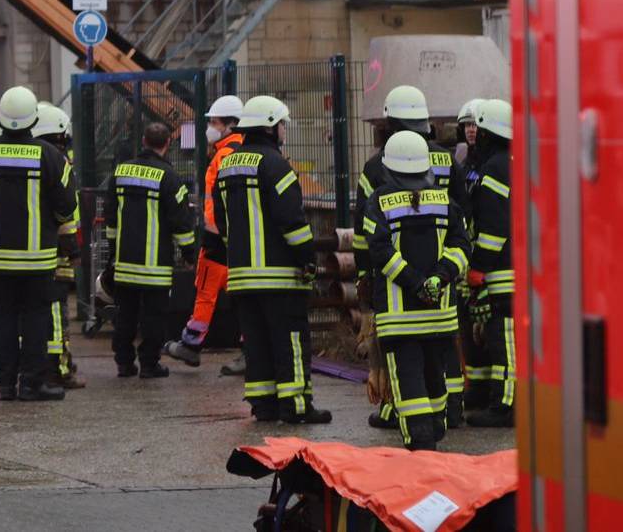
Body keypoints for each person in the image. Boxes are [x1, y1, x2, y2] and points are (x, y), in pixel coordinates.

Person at [354, 86, 465, 430]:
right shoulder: (447, 161)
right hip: (442, 282)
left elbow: (368, 236)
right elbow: (464, 223)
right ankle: (451, 411)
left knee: (403, 362)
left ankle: (397, 413)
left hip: (398, 294)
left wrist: (364, 274)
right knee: (442, 352)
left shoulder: (375, 168)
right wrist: (446, 274)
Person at [216, 95, 330, 423]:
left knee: (257, 343)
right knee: (290, 340)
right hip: (279, 277)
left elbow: (223, 222)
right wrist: (307, 258)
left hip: (241, 276)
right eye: (281, 124)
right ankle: (295, 406)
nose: (284, 130)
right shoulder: (277, 165)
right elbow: (291, 222)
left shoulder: (227, 165)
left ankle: (263, 405)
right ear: (269, 126)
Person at [0, 87, 76, 402]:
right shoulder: (50, 155)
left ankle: (5, 385)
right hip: (38, 260)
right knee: (36, 319)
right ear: (34, 119)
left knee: (4, 318)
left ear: (0, 117)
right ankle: (31, 384)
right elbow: (66, 206)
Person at [107, 122, 193, 379]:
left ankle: (124, 363)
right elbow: (181, 223)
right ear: (167, 144)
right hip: (154, 265)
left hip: (124, 262)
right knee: (154, 316)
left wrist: (114, 251)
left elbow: (111, 217)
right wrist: (189, 254)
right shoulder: (169, 177)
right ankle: (148, 364)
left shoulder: (120, 172)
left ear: (143, 141)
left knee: (125, 315)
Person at [166, 95, 243, 371]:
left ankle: (191, 344)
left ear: (231, 125)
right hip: (235, 238)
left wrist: (214, 232)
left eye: (215, 121)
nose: (210, 126)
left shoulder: (225, 155)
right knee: (238, 295)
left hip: (217, 238)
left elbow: (218, 202)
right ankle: (246, 349)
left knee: (207, 292)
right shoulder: (238, 150)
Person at [463, 99, 516, 427]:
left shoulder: (496, 167)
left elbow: (494, 228)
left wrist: (478, 267)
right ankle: (488, 394)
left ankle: (507, 405)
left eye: (478, 129)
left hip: (502, 271)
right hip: (513, 265)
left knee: (504, 338)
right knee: (495, 336)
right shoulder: (509, 161)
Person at [31, 103, 83, 388]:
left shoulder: (33, 160)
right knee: (56, 308)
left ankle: (46, 363)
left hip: (33, 250)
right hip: (57, 251)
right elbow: (64, 211)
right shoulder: (56, 162)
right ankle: (58, 367)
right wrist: (72, 247)